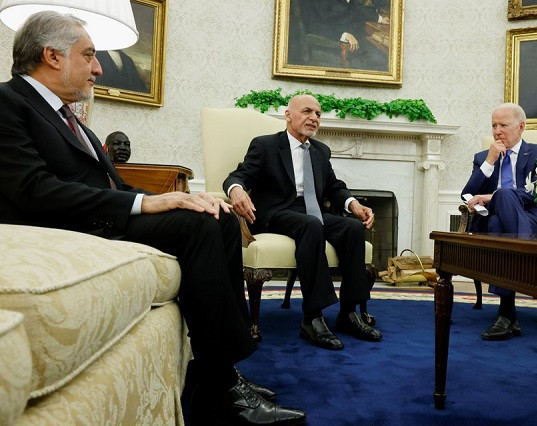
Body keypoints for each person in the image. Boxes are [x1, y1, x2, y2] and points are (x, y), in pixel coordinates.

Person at [0, 11, 305, 425]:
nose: (98, 68)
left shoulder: (75, 122)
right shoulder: (8, 101)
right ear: (52, 56)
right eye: (89, 55)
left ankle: (219, 371)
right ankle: (219, 386)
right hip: (68, 227)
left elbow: (117, 190)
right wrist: (146, 204)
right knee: (200, 225)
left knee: (216, 214)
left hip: (103, 220)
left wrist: (167, 199)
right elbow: (32, 188)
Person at [223, 94, 382, 350]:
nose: (313, 118)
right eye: (307, 111)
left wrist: (354, 205)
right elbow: (238, 176)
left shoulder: (320, 151)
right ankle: (312, 317)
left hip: (310, 212)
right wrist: (236, 190)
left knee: (351, 227)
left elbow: (334, 187)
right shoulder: (265, 145)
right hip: (274, 213)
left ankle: (348, 313)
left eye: (318, 114)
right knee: (310, 224)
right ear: (289, 115)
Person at [461, 103, 537, 341]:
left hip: (533, 218)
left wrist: (495, 196)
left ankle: (506, 314)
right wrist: (490, 161)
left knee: (504, 195)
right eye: (494, 126)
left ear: (521, 127)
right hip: (495, 222)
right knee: (496, 221)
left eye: (503, 125)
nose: (497, 131)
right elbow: (467, 195)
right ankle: (520, 277)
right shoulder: (483, 158)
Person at [298, 0, 389, 71]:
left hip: (359, 38)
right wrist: (344, 35)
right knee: (379, 61)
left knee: (384, 55)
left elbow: (355, 8)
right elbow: (313, 26)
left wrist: (379, 19)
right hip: (337, 46)